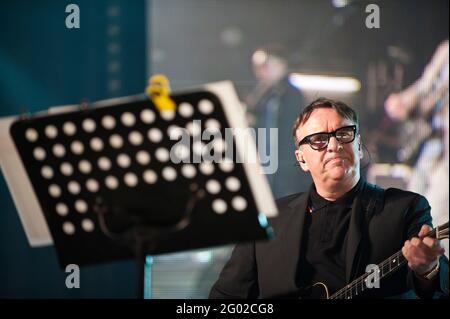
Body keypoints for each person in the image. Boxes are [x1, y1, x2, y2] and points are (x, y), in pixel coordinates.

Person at [210, 98, 448, 299]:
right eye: (319, 140)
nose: (334, 145)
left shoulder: (404, 209)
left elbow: (441, 286)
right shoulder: (268, 220)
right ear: (301, 158)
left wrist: (427, 269)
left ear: (358, 145)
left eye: (344, 134)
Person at [385, 40, 449, 258]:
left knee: (439, 217)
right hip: (434, 146)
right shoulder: (445, 50)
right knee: (413, 206)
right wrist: (403, 101)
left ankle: (439, 277)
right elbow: (424, 87)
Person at [245, 47, 310, 198]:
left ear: (282, 65)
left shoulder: (291, 94)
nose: (263, 71)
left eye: (268, 65)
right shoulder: (267, 94)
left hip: (284, 166)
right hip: (266, 163)